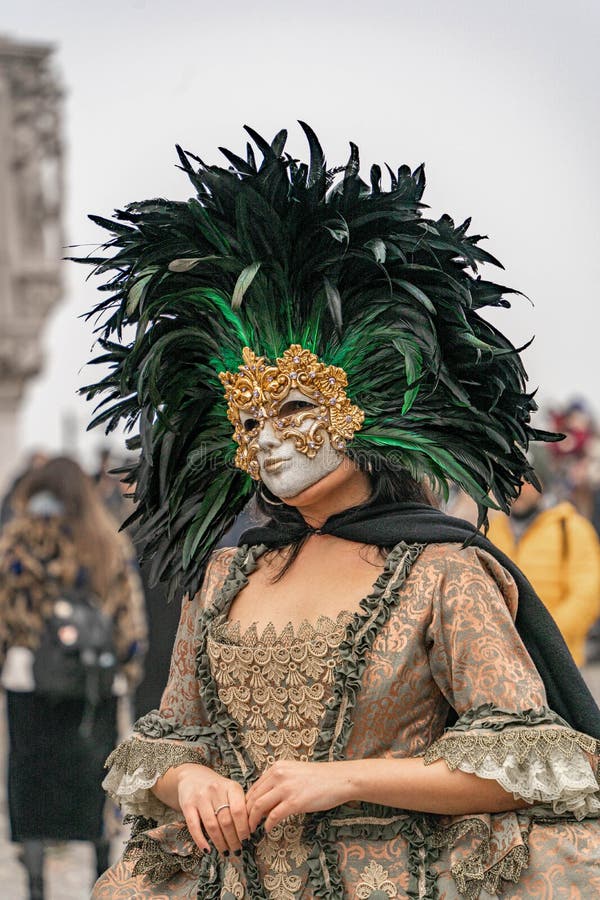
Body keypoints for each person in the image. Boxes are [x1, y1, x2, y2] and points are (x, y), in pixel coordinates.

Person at [77, 126, 600, 899]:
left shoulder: (442, 572)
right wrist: (189, 785)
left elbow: (528, 766)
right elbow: (167, 744)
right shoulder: (224, 574)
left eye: (292, 407)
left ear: (365, 408)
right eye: (248, 423)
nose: (268, 440)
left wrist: (343, 779)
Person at [0, 456, 147, 900]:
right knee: (92, 781)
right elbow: (128, 614)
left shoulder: (19, 541)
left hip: (31, 681)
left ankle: (36, 883)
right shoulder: (105, 539)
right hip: (94, 683)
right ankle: (98, 876)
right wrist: (127, 667)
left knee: (32, 782)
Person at [486, 478, 600, 666]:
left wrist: (547, 637)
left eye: (527, 480)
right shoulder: (492, 530)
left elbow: (587, 593)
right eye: (509, 478)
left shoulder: (571, 528)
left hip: (558, 664)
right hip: (502, 663)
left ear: (543, 483)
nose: (518, 488)